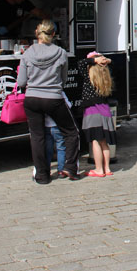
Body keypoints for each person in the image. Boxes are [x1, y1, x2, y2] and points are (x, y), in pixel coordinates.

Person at [17, 20, 81, 184]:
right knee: (71, 132)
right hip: (53, 98)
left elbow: (22, 82)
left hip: (32, 99)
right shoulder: (60, 53)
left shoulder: (27, 53)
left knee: (37, 137)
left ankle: (42, 176)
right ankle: (70, 167)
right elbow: (64, 79)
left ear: (36, 33)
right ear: (54, 34)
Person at [78, 51, 116, 178]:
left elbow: (81, 63)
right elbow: (111, 62)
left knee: (95, 141)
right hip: (105, 110)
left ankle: (99, 169)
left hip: (92, 111)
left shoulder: (89, 77)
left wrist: (94, 60)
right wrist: (105, 60)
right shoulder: (105, 77)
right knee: (104, 142)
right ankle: (107, 168)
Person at [44, 92, 73, 176]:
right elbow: (68, 105)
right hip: (57, 125)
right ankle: (61, 170)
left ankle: (46, 170)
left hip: (46, 125)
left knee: (47, 150)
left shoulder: (42, 92)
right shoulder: (59, 91)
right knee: (61, 148)